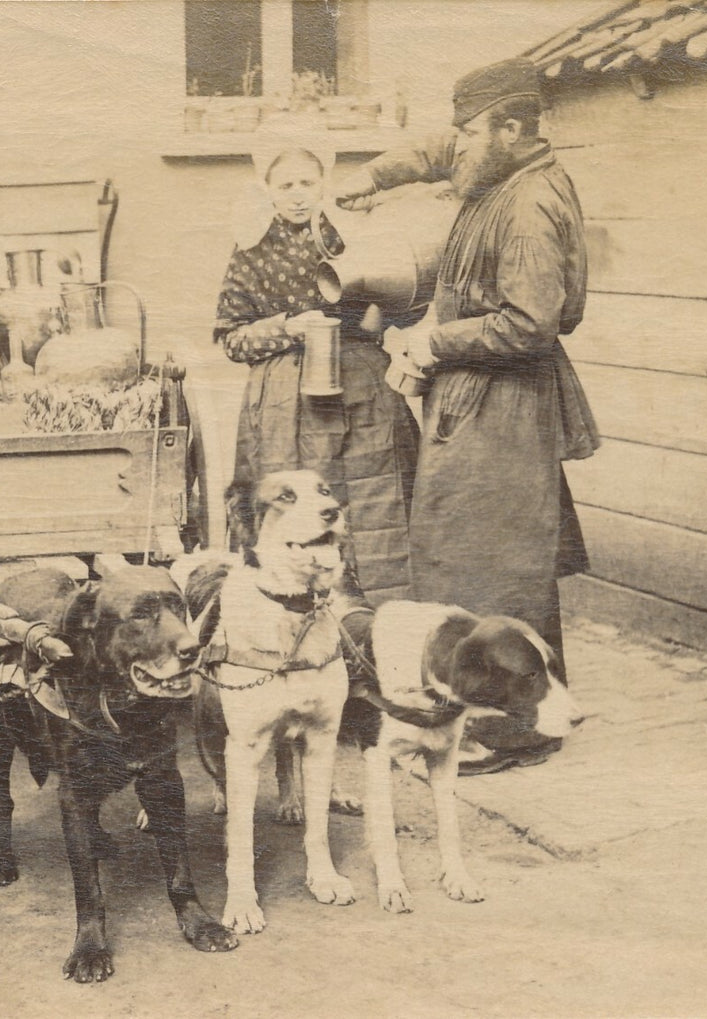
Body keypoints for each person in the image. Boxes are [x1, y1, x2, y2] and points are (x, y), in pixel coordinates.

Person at [335, 57, 600, 775]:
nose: (456, 147)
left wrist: (430, 338)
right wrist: (372, 176)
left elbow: (529, 324)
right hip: (480, 395)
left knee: (489, 563)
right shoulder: (499, 169)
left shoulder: (525, 207)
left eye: (469, 132)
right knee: (492, 556)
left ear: (510, 128)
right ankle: (540, 708)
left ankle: (511, 732)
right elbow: (436, 149)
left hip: (504, 402)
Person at [215, 138, 419, 605]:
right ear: (267, 188)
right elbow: (231, 338)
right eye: (285, 184)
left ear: (323, 183)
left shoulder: (350, 232)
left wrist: (379, 315)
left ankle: (382, 619)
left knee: (377, 501)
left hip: (362, 389)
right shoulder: (251, 248)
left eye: (307, 182)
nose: (298, 194)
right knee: (295, 513)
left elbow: (396, 298)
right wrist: (287, 327)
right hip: (284, 404)